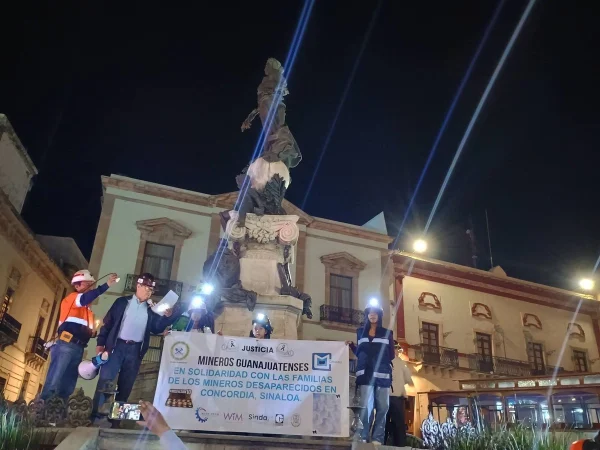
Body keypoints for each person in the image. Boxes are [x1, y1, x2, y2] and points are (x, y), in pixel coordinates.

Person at [91, 273, 182, 425]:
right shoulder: (122, 302)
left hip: (135, 351)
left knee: (126, 387)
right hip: (116, 347)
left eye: (151, 290)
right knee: (105, 382)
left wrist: (168, 317)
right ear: (138, 286)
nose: (149, 292)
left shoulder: (151, 310)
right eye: (147, 288)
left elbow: (156, 328)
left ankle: (115, 422)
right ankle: (96, 419)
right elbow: (108, 323)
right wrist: (100, 344)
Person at [41, 270, 118, 401]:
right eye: (88, 284)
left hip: (78, 347)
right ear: (77, 286)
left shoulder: (87, 310)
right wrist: (106, 285)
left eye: (91, 285)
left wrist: (91, 333)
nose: (91, 288)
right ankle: (43, 408)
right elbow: (85, 298)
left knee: (68, 385)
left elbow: (84, 328)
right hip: (66, 344)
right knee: (55, 380)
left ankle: (59, 410)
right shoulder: (72, 298)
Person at [346, 299, 394, 445]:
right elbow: (360, 352)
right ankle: (364, 435)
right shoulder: (360, 332)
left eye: (375, 313)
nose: (372, 315)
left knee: (383, 407)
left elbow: (391, 354)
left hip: (382, 375)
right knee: (366, 407)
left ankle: (377, 438)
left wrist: (379, 360)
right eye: (370, 313)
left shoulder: (387, 333)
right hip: (365, 374)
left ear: (379, 315)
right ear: (367, 315)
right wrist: (352, 347)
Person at [385, 342, 414, 447]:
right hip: (397, 398)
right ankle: (400, 445)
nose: (398, 351)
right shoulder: (401, 362)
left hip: (384, 397)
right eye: (397, 349)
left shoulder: (383, 361)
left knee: (384, 423)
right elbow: (408, 378)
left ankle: (382, 444)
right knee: (399, 425)